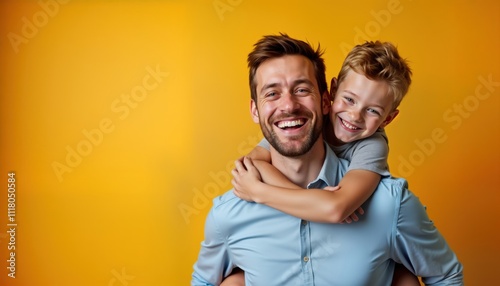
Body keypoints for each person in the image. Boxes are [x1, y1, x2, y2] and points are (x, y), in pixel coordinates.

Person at [191, 33, 463, 285]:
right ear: (255, 110)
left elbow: (446, 276)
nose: (288, 106)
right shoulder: (229, 213)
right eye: (272, 93)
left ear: (324, 100)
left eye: (301, 89)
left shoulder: (388, 201)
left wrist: (263, 192)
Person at [223, 40, 418, 285]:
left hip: (357, 238)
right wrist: (314, 198)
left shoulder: (372, 145)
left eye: (373, 111)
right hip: (322, 214)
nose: (354, 116)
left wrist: (259, 191)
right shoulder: (306, 122)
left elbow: (336, 208)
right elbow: (253, 163)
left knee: (406, 277)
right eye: (349, 99)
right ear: (332, 92)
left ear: (388, 119)